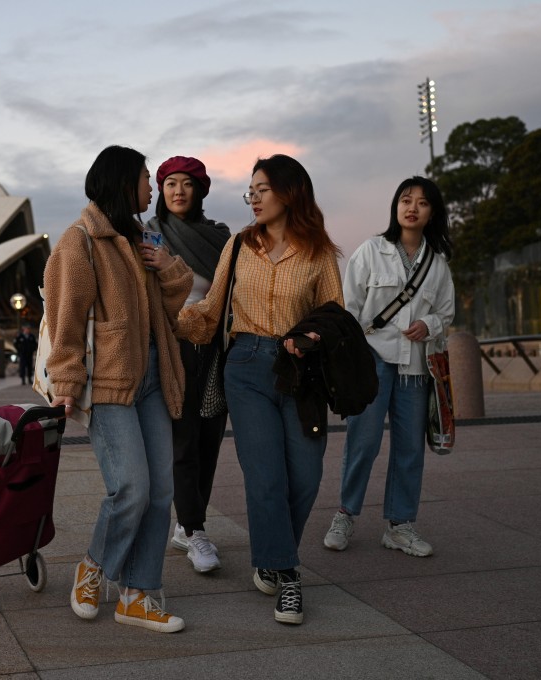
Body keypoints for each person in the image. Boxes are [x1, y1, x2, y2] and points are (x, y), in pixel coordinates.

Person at [178, 154, 342, 625]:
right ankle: (287, 575)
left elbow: (335, 319)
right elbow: (210, 309)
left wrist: (309, 340)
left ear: (289, 193)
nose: (253, 198)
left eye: (262, 189)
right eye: (250, 190)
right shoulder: (238, 245)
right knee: (266, 476)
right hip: (246, 366)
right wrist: (170, 323)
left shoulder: (319, 253)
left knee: (307, 476)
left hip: (300, 373)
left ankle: (273, 552)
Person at [44, 144, 193, 633]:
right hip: (109, 380)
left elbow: (173, 304)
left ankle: (138, 593)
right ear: (122, 180)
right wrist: (66, 381)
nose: (153, 187)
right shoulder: (81, 239)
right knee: (131, 486)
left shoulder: (140, 236)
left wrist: (164, 265)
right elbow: (64, 318)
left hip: (154, 372)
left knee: (160, 491)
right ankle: (94, 567)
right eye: (147, 178)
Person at [323, 176, 455, 558]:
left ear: (432, 213)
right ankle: (346, 514)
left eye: (422, 202)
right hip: (373, 362)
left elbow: (445, 312)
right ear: (395, 207)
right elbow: (349, 307)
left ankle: (400, 525)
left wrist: (428, 324)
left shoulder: (438, 264)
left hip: (415, 367)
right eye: (405, 199)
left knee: (410, 448)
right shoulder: (370, 251)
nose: (412, 207)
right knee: (362, 442)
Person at [146, 156, 231, 573]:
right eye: (170, 184)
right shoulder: (149, 235)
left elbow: (229, 291)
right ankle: (195, 529)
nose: (178, 191)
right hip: (173, 345)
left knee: (210, 437)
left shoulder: (220, 237)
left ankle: (187, 525)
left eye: (187, 184)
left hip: (214, 345)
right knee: (184, 438)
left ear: (200, 190)